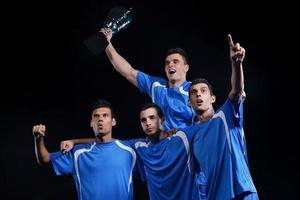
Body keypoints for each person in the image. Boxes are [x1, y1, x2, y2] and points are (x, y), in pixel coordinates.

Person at [179, 34, 258, 199]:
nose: (198, 95)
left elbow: (236, 92)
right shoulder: (190, 135)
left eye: (203, 91)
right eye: (193, 93)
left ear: (212, 98)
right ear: (189, 103)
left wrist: (236, 64)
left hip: (241, 193)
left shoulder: (225, 116)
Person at [32, 99, 136, 200]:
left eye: (105, 115)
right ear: (91, 123)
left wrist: (74, 141)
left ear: (113, 121)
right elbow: (44, 159)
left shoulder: (129, 150)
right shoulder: (78, 153)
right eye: (96, 116)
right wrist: (38, 139)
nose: (100, 119)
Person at [101, 27, 193, 131]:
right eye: (167, 63)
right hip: (162, 144)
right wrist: (106, 42)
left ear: (186, 67)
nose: (170, 65)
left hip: (187, 143)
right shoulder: (156, 85)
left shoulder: (194, 89)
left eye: (175, 62)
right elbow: (127, 71)